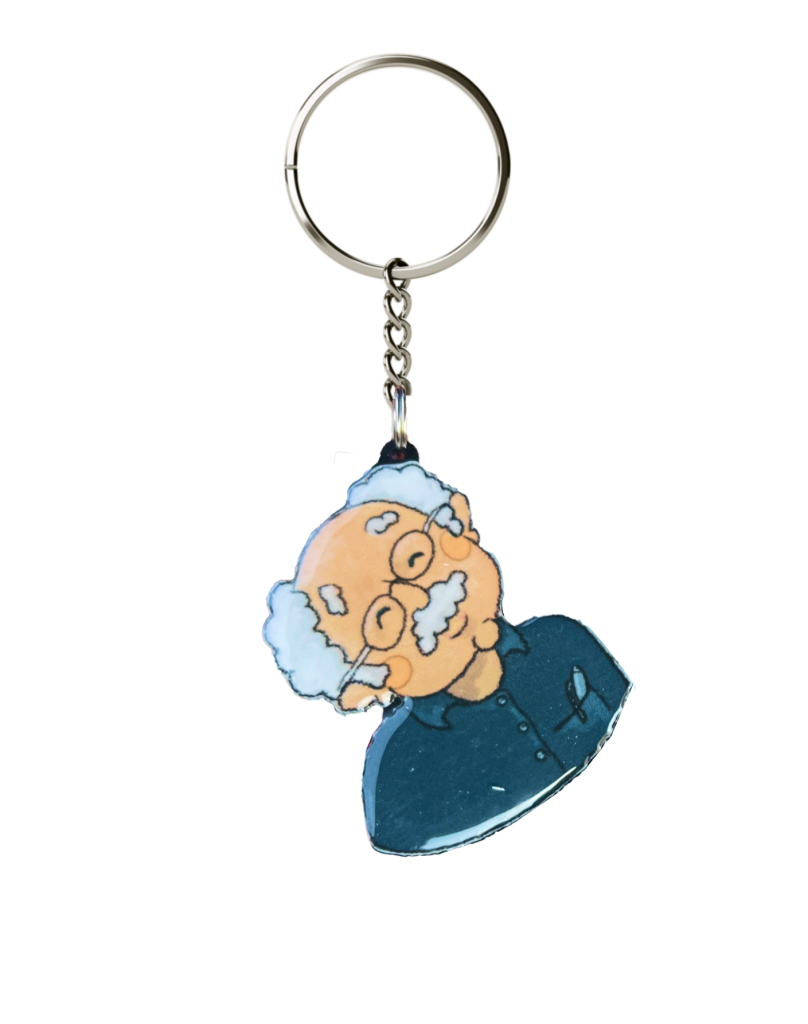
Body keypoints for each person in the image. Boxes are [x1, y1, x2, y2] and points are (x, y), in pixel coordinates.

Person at [262, 460, 632, 855]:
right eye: (385, 619)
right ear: (365, 680)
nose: (424, 602)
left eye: (415, 559)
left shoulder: (563, 640)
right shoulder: (399, 776)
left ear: (461, 530)